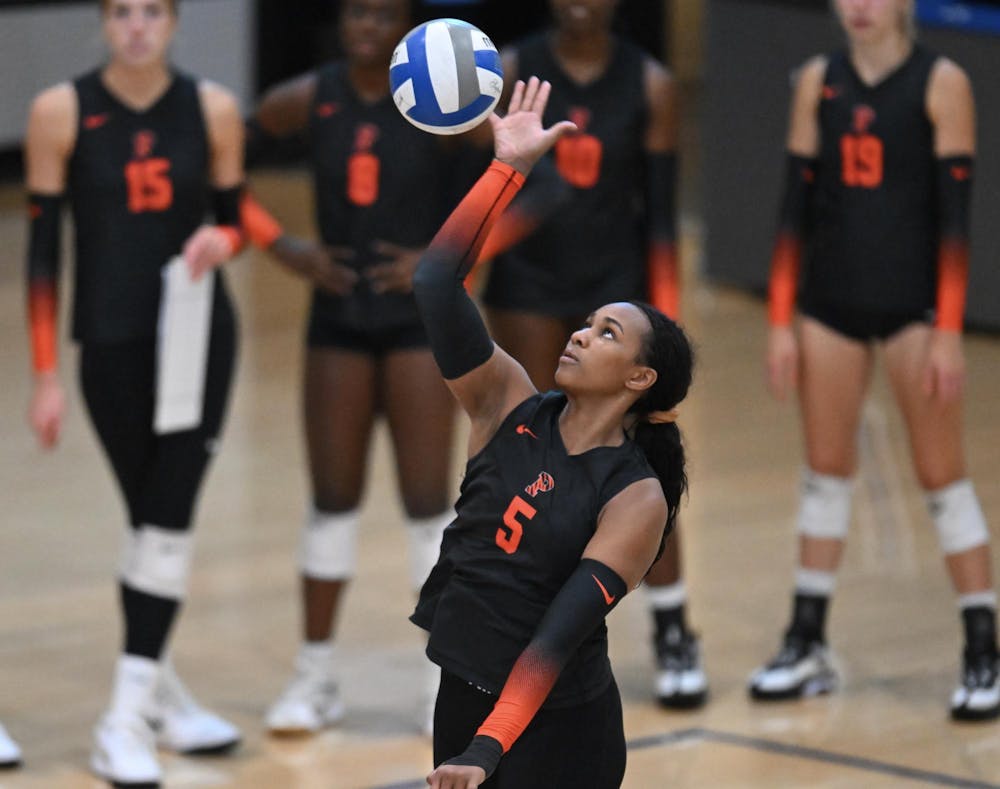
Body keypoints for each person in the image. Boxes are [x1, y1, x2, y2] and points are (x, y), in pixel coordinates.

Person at [411, 77, 694, 788]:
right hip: (461, 694)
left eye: (607, 333)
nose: (581, 333)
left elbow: (554, 640)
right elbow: (436, 281)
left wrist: (488, 749)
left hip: (559, 732)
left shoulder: (636, 499)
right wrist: (508, 167)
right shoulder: (504, 402)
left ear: (639, 379)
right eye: (587, 321)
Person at [750, 0, 999, 721]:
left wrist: (949, 330)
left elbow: (957, 223)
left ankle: (983, 647)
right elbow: (791, 210)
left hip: (915, 312)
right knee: (824, 473)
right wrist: (780, 320)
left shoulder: (941, 80)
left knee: (941, 477)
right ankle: (806, 641)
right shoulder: (817, 80)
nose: (859, 7)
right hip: (829, 305)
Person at [24, 0, 245, 782]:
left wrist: (227, 238)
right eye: (122, 12)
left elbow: (236, 218)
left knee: (166, 519)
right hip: (109, 346)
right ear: (104, 24)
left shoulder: (213, 108)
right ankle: (164, 691)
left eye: (153, 11)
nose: (138, 26)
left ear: (175, 22)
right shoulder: (60, 111)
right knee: (150, 519)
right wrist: (45, 372)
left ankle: (122, 716)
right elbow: (44, 254)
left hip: (195, 340)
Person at [241, 0, 467, 734]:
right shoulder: (309, 96)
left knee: (429, 504)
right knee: (332, 501)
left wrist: (445, 257)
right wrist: (285, 247)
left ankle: (445, 683)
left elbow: (511, 178)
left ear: (406, 24)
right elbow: (215, 163)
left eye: (382, 13)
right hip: (337, 324)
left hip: (415, 328)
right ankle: (314, 678)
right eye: (355, 12)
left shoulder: (439, 97)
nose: (365, 25)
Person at [476, 0, 705, 708]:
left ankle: (672, 628)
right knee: (526, 462)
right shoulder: (514, 68)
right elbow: (488, 190)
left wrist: (661, 325)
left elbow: (661, 216)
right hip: (526, 290)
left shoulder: (651, 84)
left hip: (615, 300)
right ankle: (517, 631)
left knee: (641, 468)